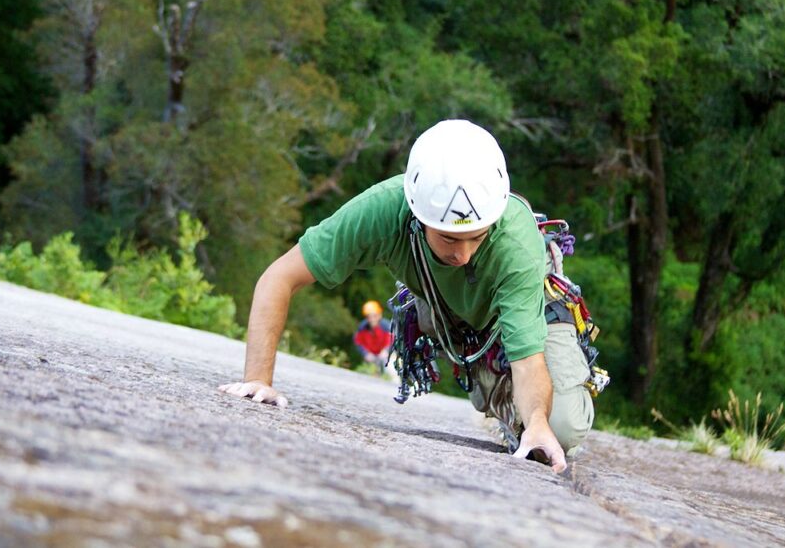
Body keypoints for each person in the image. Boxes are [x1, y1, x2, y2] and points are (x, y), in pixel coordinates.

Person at [219, 120, 595, 473]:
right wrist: (258, 381)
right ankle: (495, 386)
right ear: (417, 216)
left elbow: (528, 360)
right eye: (448, 237)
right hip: (450, 306)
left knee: (562, 429)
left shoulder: (516, 246)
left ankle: (522, 405)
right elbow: (278, 278)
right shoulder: (383, 211)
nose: (462, 255)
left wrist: (537, 424)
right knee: (466, 332)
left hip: (533, 303)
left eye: (475, 238)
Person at [353, 300, 393, 371]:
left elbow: (392, 340)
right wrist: (365, 353)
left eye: (374, 316)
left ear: (379, 315)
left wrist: (386, 350)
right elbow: (358, 342)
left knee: (390, 368)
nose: (372, 319)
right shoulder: (362, 328)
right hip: (371, 358)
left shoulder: (386, 326)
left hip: (386, 356)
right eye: (369, 317)